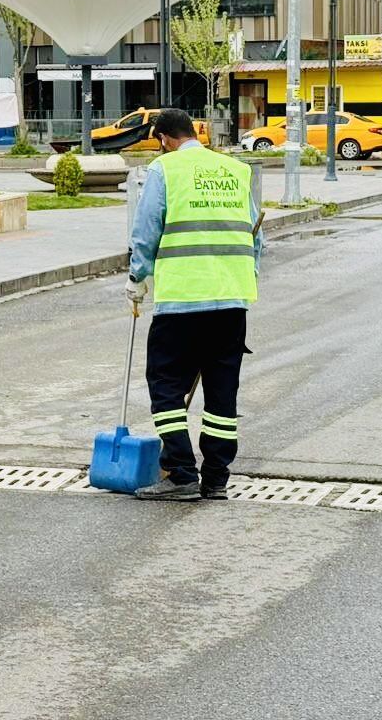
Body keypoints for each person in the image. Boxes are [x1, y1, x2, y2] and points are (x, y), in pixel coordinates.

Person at [126, 108, 261, 501]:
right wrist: (243, 277)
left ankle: (181, 473)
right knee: (222, 390)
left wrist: (137, 277)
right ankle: (216, 478)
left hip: (183, 299)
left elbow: (147, 228)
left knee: (166, 384)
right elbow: (255, 234)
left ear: (164, 138)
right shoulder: (235, 170)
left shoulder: (165, 170)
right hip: (232, 300)